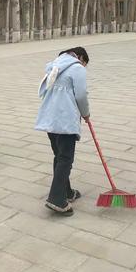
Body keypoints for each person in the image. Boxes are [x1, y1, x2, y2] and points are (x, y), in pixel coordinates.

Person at [35, 47, 90, 216]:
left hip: (50, 118)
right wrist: (86, 113)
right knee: (65, 159)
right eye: (85, 63)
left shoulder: (54, 66)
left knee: (60, 157)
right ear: (80, 58)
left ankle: (66, 192)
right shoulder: (77, 68)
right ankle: (57, 200)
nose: (84, 66)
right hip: (65, 119)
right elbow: (81, 95)